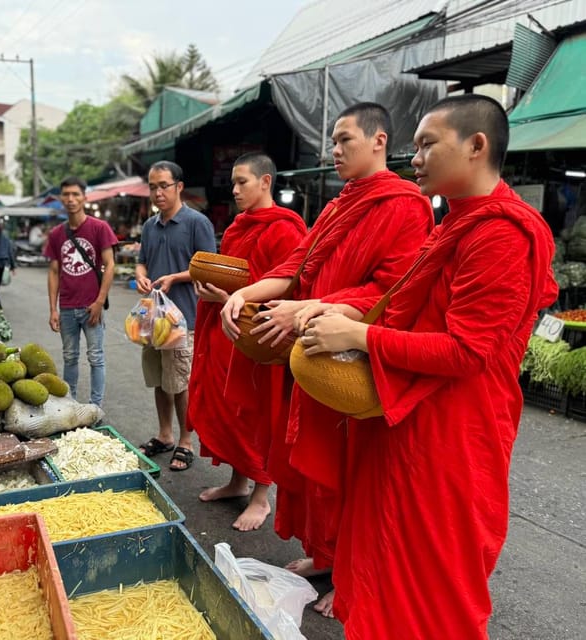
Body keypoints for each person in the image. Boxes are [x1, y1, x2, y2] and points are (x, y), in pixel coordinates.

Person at [293, 95, 557, 638]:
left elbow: (465, 351)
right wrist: (348, 308)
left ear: (476, 146)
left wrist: (360, 334)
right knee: (383, 565)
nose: (414, 158)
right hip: (405, 419)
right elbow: (407, 305)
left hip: (453, 435)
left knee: (432, 587)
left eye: (427, 144)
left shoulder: (502, 233)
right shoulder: (453, 224)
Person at [221, 103, 434, 615]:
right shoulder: (341, 204)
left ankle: (354, 577)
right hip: (315, 348)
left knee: (354, 473)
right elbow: (298, 266)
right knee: (316, 463)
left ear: (379, 140)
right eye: (332, 143)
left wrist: (311, 308)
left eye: (345, 141)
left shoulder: (406, 206)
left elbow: (389, 292)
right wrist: (245, 293)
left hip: (354, 358)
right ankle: (326, 556)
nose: (334, 151)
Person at [188, 152, 307, 530]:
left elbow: (287, 290)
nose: (235, 189)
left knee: (259, 412)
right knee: (229, 410)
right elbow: (235, 274)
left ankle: (261, 493)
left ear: (266, 182)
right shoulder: (239, 226)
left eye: (243, 182)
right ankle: (238, 481)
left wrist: (226, 300)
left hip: (260, 336)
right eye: (234, 182)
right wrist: (212, 291)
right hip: (227, 331)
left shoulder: (286, 229)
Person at [136, 161, 216, 471]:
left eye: (163, 186)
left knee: (181, 383)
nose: (157, 192)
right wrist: (142, 276)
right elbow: (142, 261)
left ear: (179, 187)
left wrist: (175, 277)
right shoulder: (149, 226)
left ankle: (185, 441)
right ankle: (164, 434)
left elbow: (206, 266)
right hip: (154, 320)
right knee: (159, 379)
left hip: (185, 319)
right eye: (153, 186)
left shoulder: (197, 223)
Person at [44, 177, 117, 406]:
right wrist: (52, 309)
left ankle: (96, 407)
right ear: (61, 199)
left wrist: (99, 301)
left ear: (85, 197)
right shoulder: (57, 234)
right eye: (66, 195)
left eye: (76, 194)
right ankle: (71, 405)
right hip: (66, 308)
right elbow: (54, 271)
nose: (71, 199)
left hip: (91, 306)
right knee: (69, 358)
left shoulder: (99, 228)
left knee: (96, 358)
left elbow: (110, 265)